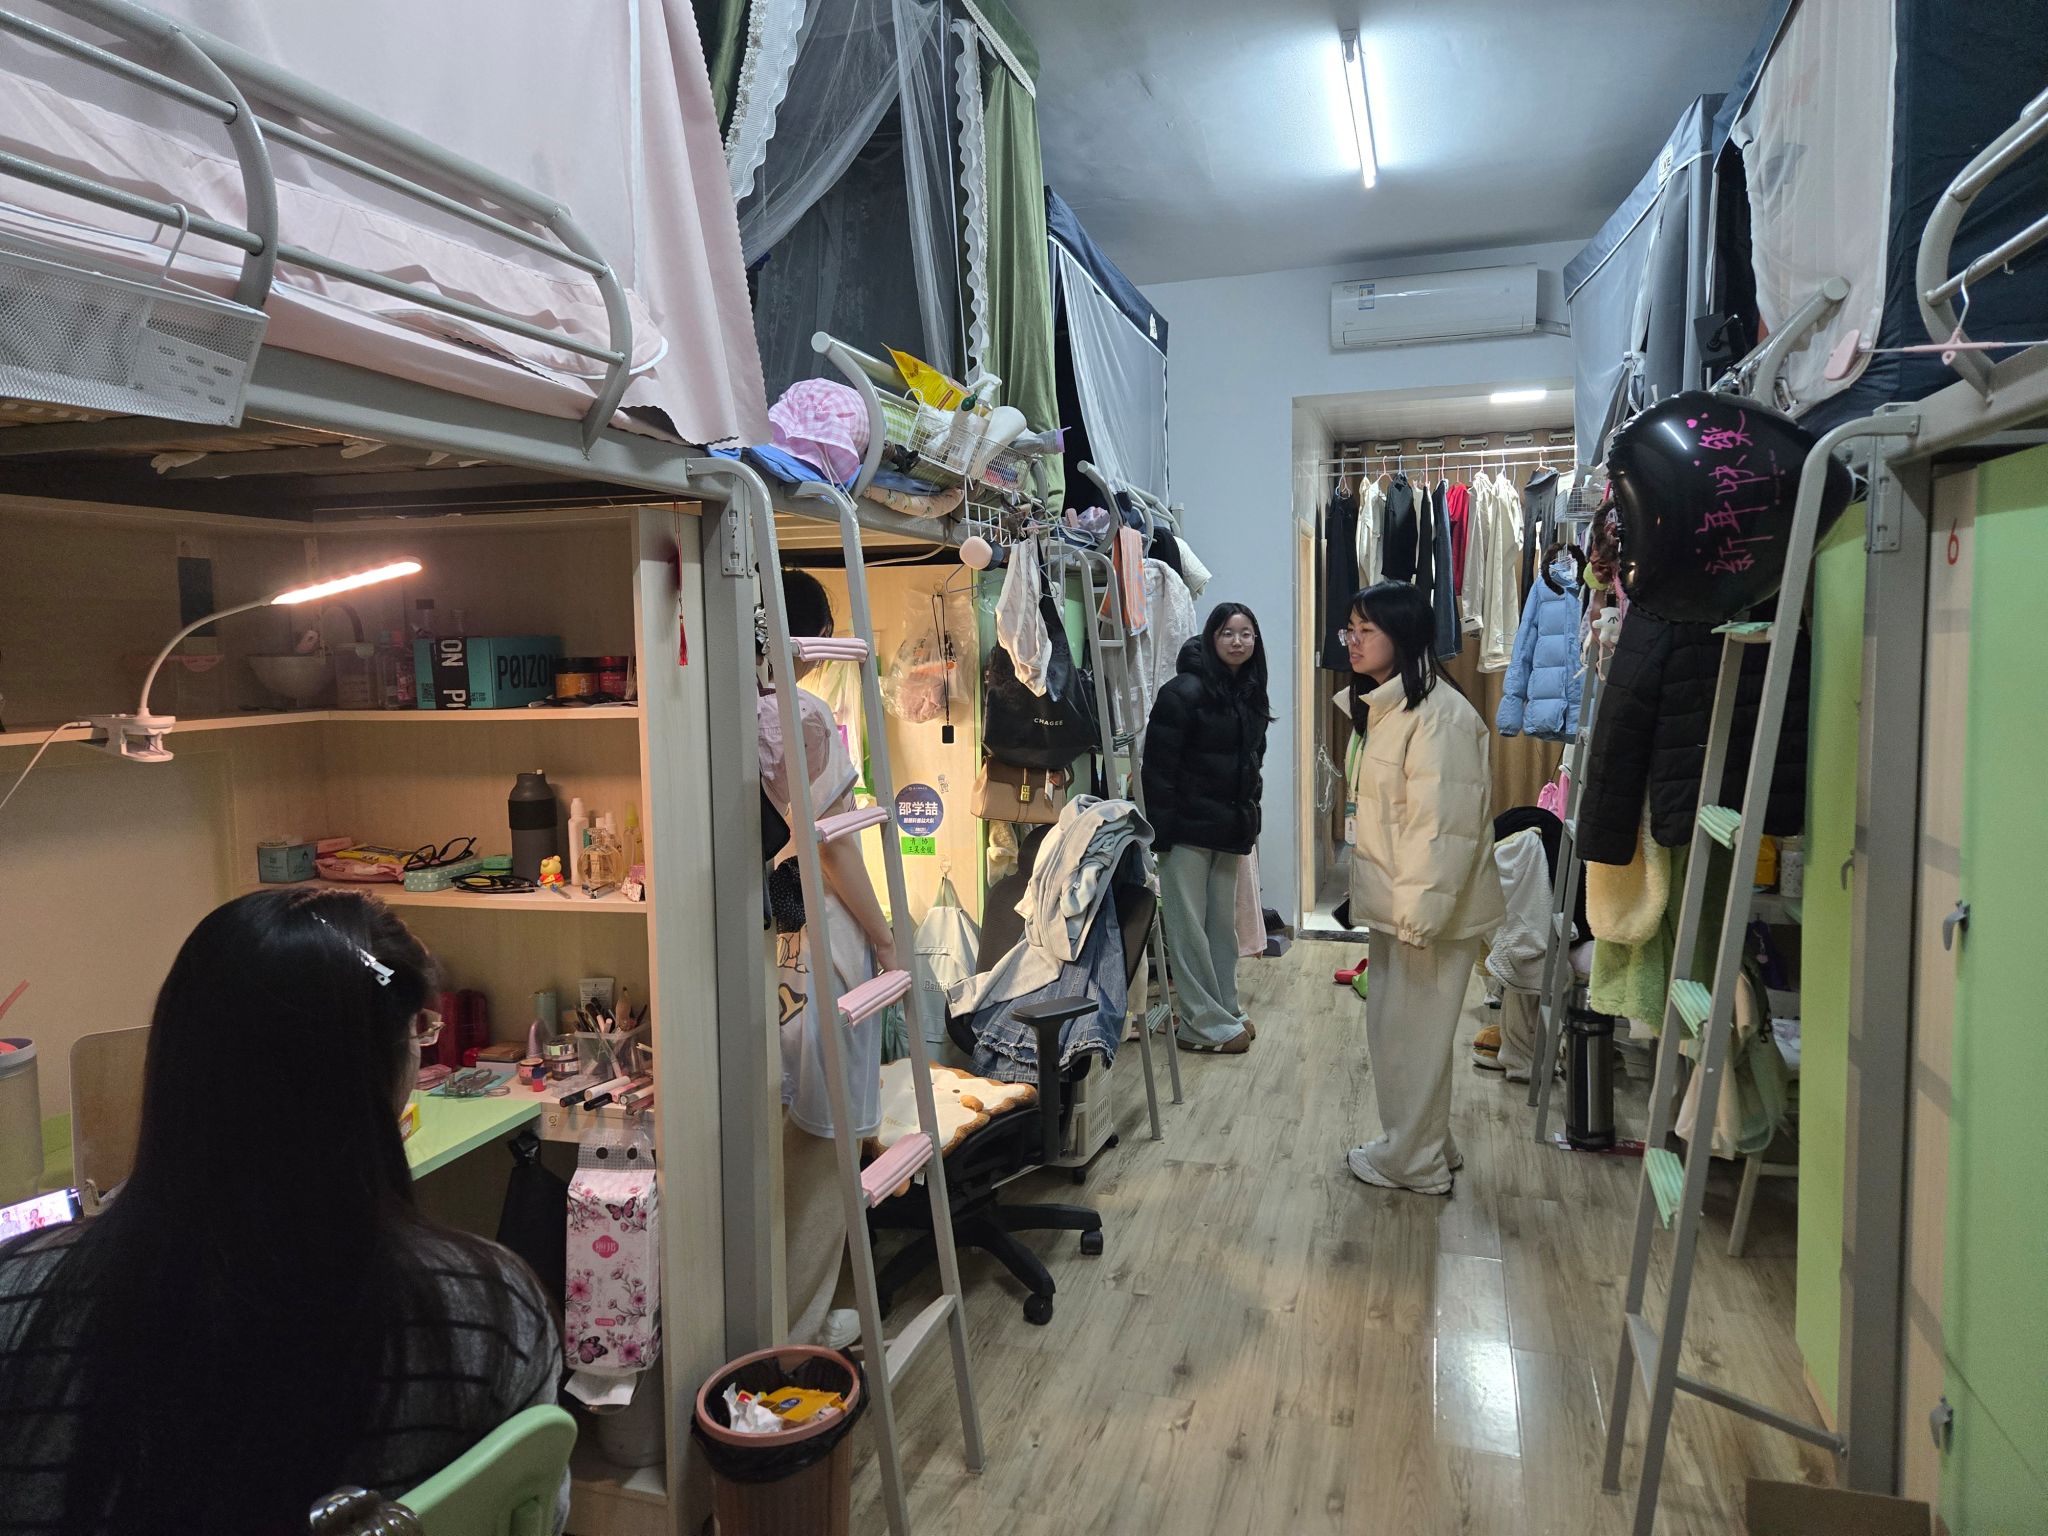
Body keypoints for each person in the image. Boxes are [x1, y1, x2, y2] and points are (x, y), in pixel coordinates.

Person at [0, 889, 564, 1535]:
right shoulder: (494, 1310)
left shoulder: (18, 1309)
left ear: (176, 1057)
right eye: (417, 1033)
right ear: (379, 1071)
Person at [758, 569, 894, 1348]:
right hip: (816, 939)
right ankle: (799, 1335)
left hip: (759, 943)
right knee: (815, 1151)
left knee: (769, 1147)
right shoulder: (800, 714)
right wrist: (886, 937)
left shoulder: (714, 703)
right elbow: (834, 846)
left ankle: (765, 1322)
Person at [1340, 582, 1506, 1195]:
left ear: (1404, 637)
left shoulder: (1440, 716)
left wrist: (1418, 916)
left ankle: (1414, 1162)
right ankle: (1429, 1143)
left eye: (1367, 630)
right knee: (1406, 1033)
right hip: (1403, 902)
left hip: (1426, 911)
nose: (1353, 641)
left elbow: (1442, 829)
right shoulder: (1393, 707)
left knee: (1410, 1039)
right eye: (1350, 628)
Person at [1142, 602, 1272, 1054]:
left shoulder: (1249, 692)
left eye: (1246, 633)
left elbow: (1252, 764)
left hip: (1228, 829)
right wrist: (1161, 832)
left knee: (1221, 927)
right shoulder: (1182, 691)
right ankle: (1201, 1024)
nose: (1237, 641)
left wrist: (1248, 819)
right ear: (1211, 638)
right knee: (1188, 930)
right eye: (1227, 633)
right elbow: (1157, 770)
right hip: (1184, 831)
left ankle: (1226, 1010)